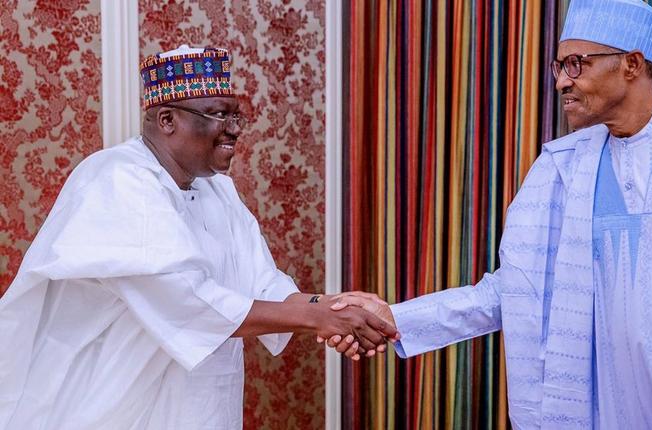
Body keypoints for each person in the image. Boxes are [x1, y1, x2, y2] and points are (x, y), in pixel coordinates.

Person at [328, 0, 652, 428]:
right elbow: (513, 290)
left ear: (631, 63)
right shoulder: (562, 169)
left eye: (577, 64)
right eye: (559, 65)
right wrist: (394, 317)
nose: (561, 81)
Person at [0, 45, 396, 430]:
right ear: (168, 119)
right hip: (109, 405)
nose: (235, 130)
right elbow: (188, 297)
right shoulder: (118, 179)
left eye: (236, 116)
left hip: (197, 407)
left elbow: (262, 282)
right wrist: (318, 316)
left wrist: (332, 306)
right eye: (219, 115)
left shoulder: (217, 190)